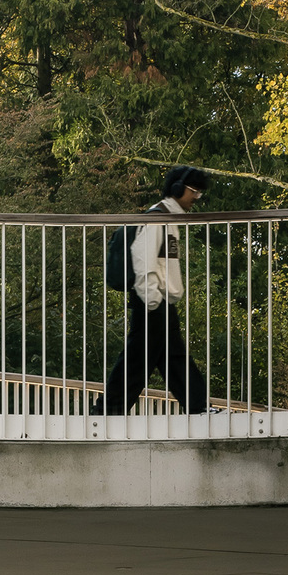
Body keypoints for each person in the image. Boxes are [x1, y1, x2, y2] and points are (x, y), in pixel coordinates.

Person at [95, 166, 211, 417]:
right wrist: (153, 300)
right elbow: (143, 259)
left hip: (158, 300)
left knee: (173, 357)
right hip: (151, 299)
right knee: (138, 360)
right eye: (195, 192)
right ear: (178, 189)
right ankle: (106, 411)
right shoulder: (157, 218)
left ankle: (197, 406)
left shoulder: (168, 218)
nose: (196, 199)